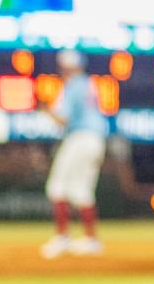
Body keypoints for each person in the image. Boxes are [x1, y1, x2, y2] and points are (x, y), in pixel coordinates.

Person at [40, 49, 108, 258]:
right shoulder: (88, 83)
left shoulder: (73, 85)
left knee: (57, 187)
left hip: (80, 137)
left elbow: (64, 119)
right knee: (81, 190)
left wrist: (46, 109)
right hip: (97, 139)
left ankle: (62, 237)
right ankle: (91, 240)